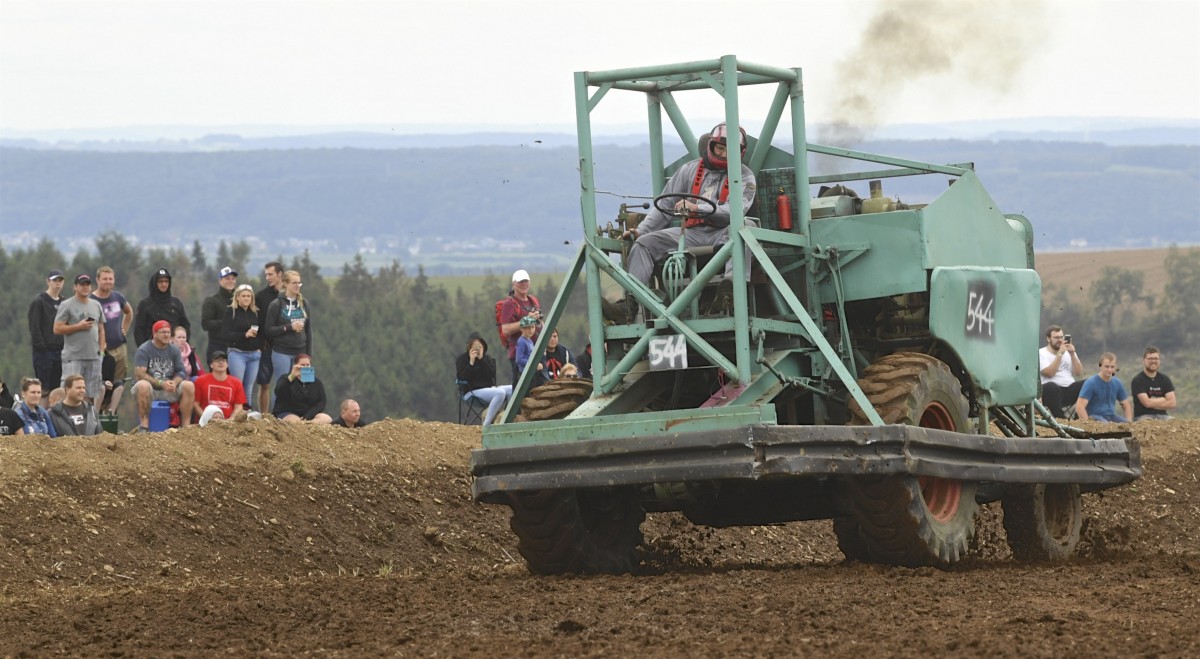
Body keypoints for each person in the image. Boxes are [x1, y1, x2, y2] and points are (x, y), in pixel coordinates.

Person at [621, 123, 758, 288]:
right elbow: (664, 206)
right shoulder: (688, 170)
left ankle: (731, 289)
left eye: (729, 150)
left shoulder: (745, 177)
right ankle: (634, 300)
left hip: (724, 233)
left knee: (747, 227)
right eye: (720, 149)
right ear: (711, 146)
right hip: (692, 233)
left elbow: (735, 211)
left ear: (740, 152)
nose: (723, 155)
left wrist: (697, 208)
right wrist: (641, 231)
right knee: (643, 243)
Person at [132, 320, 196, 431]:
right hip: (150, 389)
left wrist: (174, 382)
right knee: (142, 385)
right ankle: (144, 424)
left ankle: (186, 426)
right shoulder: (144, 349)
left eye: (168, 332)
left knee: (189, 385)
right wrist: (160, 383)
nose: (167, 335)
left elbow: (181, 371)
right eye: (163, 332)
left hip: (169, 388)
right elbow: (139, 374)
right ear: (154, 334)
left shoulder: (174, 349)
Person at [53, 274, 105, 405]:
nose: (85, 287)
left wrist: (102, 350)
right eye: (82, 284)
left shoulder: (96, 305)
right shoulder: (66, 305)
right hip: (74, 356)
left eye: (87, 284)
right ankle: (67, 421)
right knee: (68, 392)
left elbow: (101, 329)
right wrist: (78, 326)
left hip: (94, 357)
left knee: (90, 395)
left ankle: (86, 422)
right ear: (75, 287)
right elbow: (57, 328)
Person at [264, 270, 312, 408]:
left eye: (299, 283)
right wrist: (289, 327)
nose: (297, 286)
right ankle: (278, 416)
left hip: (301, 352)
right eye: (294, 283)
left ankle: (305, 416)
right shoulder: (276, 304)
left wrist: (309, 355)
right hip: (282, 352)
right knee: (282, 384)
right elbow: (269, 330)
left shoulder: (304, 304)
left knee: (306, 383)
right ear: (285, 284)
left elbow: (309, 331)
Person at [90, 266, 134, 412]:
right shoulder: (91, 300)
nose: (108, 282)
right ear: (97, 280)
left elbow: (128, 312)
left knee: (118, 384)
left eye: (111, 279)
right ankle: (95, 418)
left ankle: (111, 417)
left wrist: (124, 330)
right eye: (105, 279)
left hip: (120, 348)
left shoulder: (118, 297)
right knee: (100, 385)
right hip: (101, 351)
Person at [456, 332, 512, 427]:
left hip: (488, 389)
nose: (477, 349)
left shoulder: (487, 359)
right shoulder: (462, 359)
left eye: (479, 346)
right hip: (471, 392)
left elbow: (491, 375)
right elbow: (462, 378)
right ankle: (487, 424)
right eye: (474, 346)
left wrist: (481, 359)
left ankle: (508, 417)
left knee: (512, 388)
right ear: (469, 347)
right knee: (500, 393)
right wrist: (471, 363)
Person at [498, 269, 542, 385]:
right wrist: (528, 319)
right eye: (520, 282)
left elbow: (540, 324)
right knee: (521, 391)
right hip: (520, 355)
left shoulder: (533, 301)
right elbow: (506, 330)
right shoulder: (509, 304)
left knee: (541, 388)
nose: (524, 285)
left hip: (536, 352)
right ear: (514, 284)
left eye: (526, 281)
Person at [28, 269, 66, 400]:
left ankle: (53, 418)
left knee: (58, 390)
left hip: (61, 352)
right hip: (44, 353)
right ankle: (42, 417)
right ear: (48, 281)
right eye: (55, 280)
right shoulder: (39, 301)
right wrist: (42, 349)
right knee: (43, 389)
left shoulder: (64, 302)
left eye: (60, 280)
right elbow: (35, 328)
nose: (57, 283)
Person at [222, 283, 262, 407]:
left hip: (254, 354)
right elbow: (225, 333)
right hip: (237, 353)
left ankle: (247, 415)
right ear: (237, 297)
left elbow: (262, 332)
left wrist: (259, 347)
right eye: (243, 296)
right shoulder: (231, 311)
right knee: (237, 385)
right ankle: (235, 413)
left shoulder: (255, 312)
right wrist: (244, 335)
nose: (246, 298)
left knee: (248, 388)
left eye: (248, 296)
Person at [255, 261, 285, 416]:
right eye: (266, 274)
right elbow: (258, 323)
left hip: (286, 347)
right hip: (266, 347)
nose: (267, 277)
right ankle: (264, 415)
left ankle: (280, 414)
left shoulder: (290, 295)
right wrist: (260, 345)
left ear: (280, 274)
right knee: (264, 383)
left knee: (284, 383)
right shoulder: (260, 296)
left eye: (270, 274)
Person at [192, 351, 252, 427]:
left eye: (223, 360)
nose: (221, 362)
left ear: (227, 364)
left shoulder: (237, 383)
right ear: (211, 364)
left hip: (227, 425)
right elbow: (195, 404)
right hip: (205, 425)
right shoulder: (200, 381)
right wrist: (206, 418)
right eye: (217, 360)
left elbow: (238, 406)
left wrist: (231, 420)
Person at [133, 268, 191, 347]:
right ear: (154, 283)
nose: (164, 284)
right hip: (152, 350)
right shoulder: (145, 304)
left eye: (166, 281)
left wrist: (184, 344)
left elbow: (185, 326)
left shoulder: (176, 303)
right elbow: (139, 330)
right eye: (160, 282)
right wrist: (144, 351)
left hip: (175, 349)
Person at [272, 354, 332, 424]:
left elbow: (321, 402)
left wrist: (308, 415)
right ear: (295, 365)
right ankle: (303, 425)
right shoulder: (286, 378)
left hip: (308, 414)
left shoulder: (316, 383)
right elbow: (279, 392)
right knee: (294, 421)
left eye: (307, 365)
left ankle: (308, 425)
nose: (305, 367)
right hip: (287, 412)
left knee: (326, 418)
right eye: (302, 365)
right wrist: (292, 376)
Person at [1039, 325, 1084, 418]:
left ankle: (1079, 418)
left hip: (1069, 390)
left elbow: (1079, 373)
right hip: (1050, 393)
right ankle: (1061, 420)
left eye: (1061, 337)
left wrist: (1072, 354)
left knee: (1091, 383)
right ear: (1048, 339)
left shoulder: (1068, 352)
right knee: (1052, 387)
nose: (1060, 340)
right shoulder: (1041, 353)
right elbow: (1049, 373)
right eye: (1056, 337)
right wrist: (1060, 354)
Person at [1075, 352, 1132, 423]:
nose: (1109, 370)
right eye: (1107, 367)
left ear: (1116, 367)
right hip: (1094, 417)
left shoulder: (1117, 383)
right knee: (1106, 425)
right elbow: (1079, 406)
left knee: (1128, 426)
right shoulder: (1091, 383)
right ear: (1100, 365)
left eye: (1112, 367)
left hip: (1111, 416)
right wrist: (1088, 425)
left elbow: (1126, 405)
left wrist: (1129, 421)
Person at [201, 266, 239, 361]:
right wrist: (226, 322)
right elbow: (205, 324)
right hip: (217, 346)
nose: (230, 281)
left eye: (233, 278)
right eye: (227, 278)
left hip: (238, 348)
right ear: (220, 281)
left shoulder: (240, 300)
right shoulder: (211, 300)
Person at [1131, 346, 1177, 421]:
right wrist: (1164, 399)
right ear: (1143, 360)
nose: (1153, 361)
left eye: (1156, 358)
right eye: (1150, 359)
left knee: (1176, 423)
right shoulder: (1137, 380)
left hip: (1163, 416)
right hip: (1143, 417)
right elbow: (1147, 403)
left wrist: (1152, 403)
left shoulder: (1165, 379)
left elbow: (1172, 403)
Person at [514, 316, 540, 380]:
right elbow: (519, 360)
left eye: (532, 327)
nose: (530, 330)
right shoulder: (521, 342)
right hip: (525, 374)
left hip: (531, 372)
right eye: (527, 328)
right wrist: (534, 364)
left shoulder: (530, 341)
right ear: (522, 329)